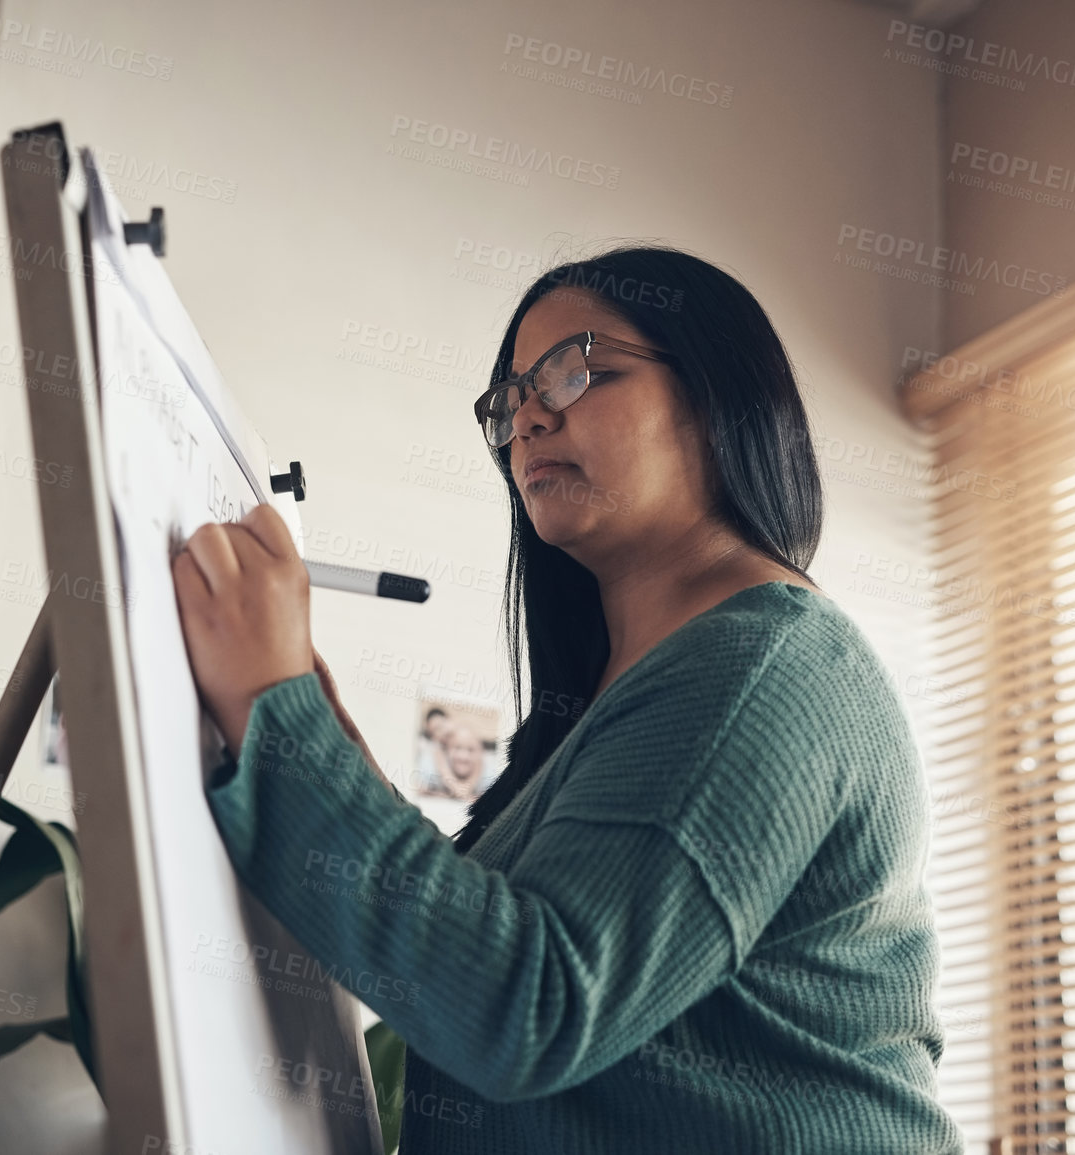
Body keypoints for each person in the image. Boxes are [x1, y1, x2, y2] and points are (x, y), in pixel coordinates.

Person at [171, 245, 965, 1153]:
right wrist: (303, 715)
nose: (528, 418)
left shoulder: (758, 667)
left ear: (717, 395)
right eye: (509, 399)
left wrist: (279, 711)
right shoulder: (644, 689)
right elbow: (492, 938)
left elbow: (530, 1008)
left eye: (577, 369)